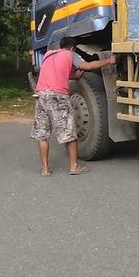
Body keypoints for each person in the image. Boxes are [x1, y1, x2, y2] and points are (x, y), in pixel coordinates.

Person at [31, 36, 116, 176]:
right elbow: (88, 66)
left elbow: (56, 72)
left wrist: (73, 76)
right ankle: (74, 167)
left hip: (41, 96)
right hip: (57, 97)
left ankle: (45, 169)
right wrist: (109, 60)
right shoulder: (70, 54)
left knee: (42, 134)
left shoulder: (48, 55)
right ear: (72, 48)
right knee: (69, 132)